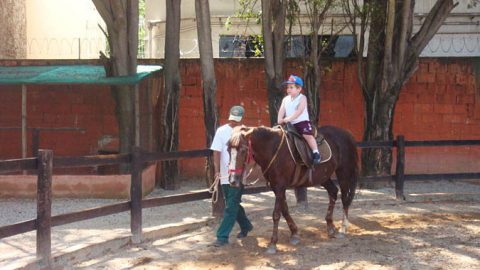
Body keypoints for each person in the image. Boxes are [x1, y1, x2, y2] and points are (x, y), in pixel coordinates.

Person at [210, 105, 253, 247]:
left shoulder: (246, 133)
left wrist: (246, 172)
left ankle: (222, 236)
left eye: (237, 120)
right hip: (224, 175)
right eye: (232, 119)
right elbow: (216, 152)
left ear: (242, 119)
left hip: (238, 175)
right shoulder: (221, 131)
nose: (234, 122)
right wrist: (217, 171)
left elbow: (249, 156)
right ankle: (246, 226)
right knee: (232, 203)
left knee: (231, 205)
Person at [277, 74, 321, 165]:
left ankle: (316, 152)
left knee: (307, 135)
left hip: (301, 122)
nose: (288, 89)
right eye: (288, 87)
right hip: (289, 123)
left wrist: (288, 118)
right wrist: (280, 119)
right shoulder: (285, 99)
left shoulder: (302, 98)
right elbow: (282, 109)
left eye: (291, 87)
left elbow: (299, 111)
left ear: (299, 89)